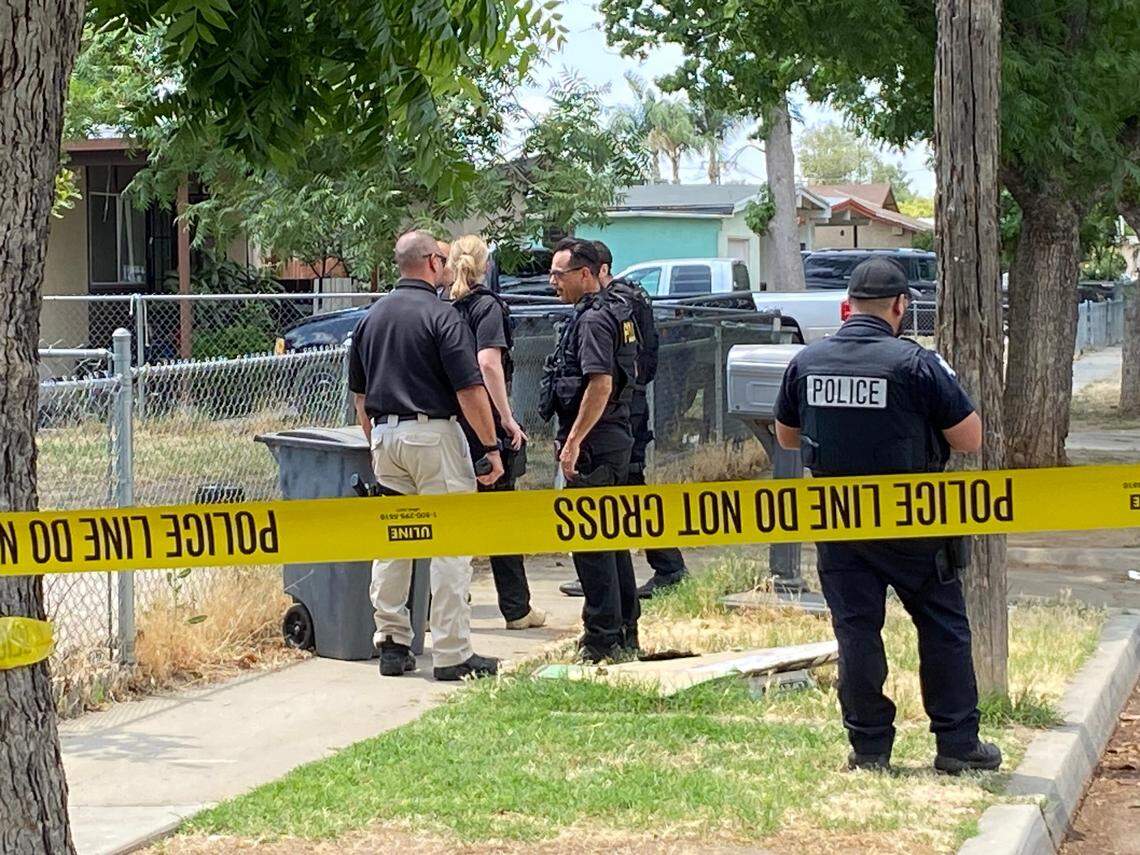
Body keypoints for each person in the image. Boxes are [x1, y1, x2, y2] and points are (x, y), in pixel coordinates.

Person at [773, 256, 1002, 775]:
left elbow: (787, 438)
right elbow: (969, 439)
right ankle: (957, 745)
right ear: (900, 306)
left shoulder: (807, 362)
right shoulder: (917, 363)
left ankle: (870, 749)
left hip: (837, 521)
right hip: (914, 521)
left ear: (846, 306)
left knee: (856, 632)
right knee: (942, 628)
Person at [348, 230, 504, 682]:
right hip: (433, 435)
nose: (450, 265)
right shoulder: (442, 316)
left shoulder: (370, 318)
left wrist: (376, 437)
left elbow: (360, 396)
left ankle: (393, 644)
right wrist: (490, 447)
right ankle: (453, 653)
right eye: (444, 257)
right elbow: (470, 389)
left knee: (395, 541)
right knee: (450, 545)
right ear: (432, 263)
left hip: (384, 438)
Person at [557, 241, 689, 600]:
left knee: (627, 494)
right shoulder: (629, 300)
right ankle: (633, 577)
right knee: (626, 495)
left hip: (620, 414)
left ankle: (667, 567)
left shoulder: (614, 306)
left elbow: (614, 372)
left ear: (597, 270)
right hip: (625, 410)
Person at [540, 238, 640, 662]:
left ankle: (601, 641)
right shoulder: (609, 313)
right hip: (611, 440)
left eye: (559, 274)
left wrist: (575, 441)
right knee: (611, 538)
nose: (552, 282)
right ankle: (623, 632)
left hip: (596, 446)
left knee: (592, 541)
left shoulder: (596, 320)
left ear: (585, 274)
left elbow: (600, 384)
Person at [448, 234, 546, 630]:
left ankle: (441, 607)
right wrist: (506, 418)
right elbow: (488, 363)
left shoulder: (441, 306)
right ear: (486, 266)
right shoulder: (487, 306)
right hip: (483, 423)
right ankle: (517, 609)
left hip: (446, 424)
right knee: (502, 518)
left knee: (448, 522)